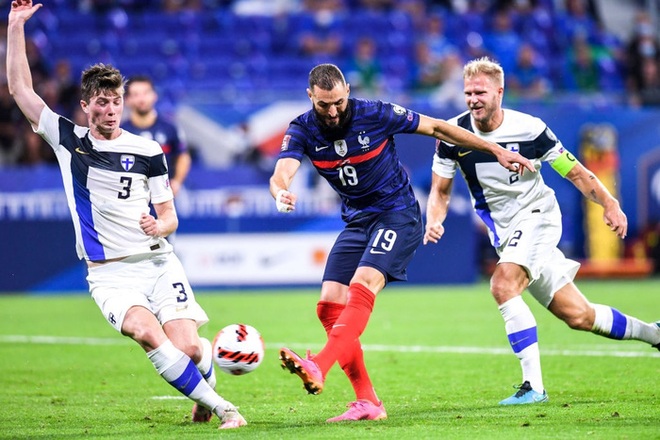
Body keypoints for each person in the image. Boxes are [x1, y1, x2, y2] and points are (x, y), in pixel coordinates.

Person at [6, 0, 246, 430]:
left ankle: (203, 387)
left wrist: (161, 224)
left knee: (189, 349)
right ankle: (227, 408)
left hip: (157, 262)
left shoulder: (148, 150)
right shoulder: (69, 140)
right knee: (146, 333)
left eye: (116, 100)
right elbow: (21, 90)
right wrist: (16, 25)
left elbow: (170, 216)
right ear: (86, 105)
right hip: (109, 274)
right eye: (103, 101)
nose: (112, 109)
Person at [270, 63, 534, 422]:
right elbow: (281, 173)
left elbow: (439, 127)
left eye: (338, 103)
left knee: (363, 284)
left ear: (348, 90)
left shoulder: (375, 114)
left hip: (397, 215)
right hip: (357, 221)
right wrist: (281, 192)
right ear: (310, 97)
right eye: (323, 105)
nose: (332, 112)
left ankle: (319, 364)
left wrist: (495, 150)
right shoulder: (302, 128)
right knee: (328, 305)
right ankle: (368, 403)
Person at [423, 57, 660, 405]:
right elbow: (440, 191)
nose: (473, 99)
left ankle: (533, 387)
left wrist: (609, 203)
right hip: (506, 235)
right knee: (579, 316)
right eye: (468, 92)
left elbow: (574, 172)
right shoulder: (452, 136)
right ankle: (654, 333)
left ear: (499, 92)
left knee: (503, 284)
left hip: (538, 217)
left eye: (481, 92)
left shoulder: (530, 129)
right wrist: (435, 218)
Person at [123, 75, 191, 199]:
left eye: (145, 93)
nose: (141, 99)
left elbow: (182, 156)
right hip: (131, 199)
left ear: (154, 95)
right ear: (127, 99)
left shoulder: (170, 127)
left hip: (163, 197)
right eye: (135, 94)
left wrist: (177, 181)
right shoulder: (120, 132)